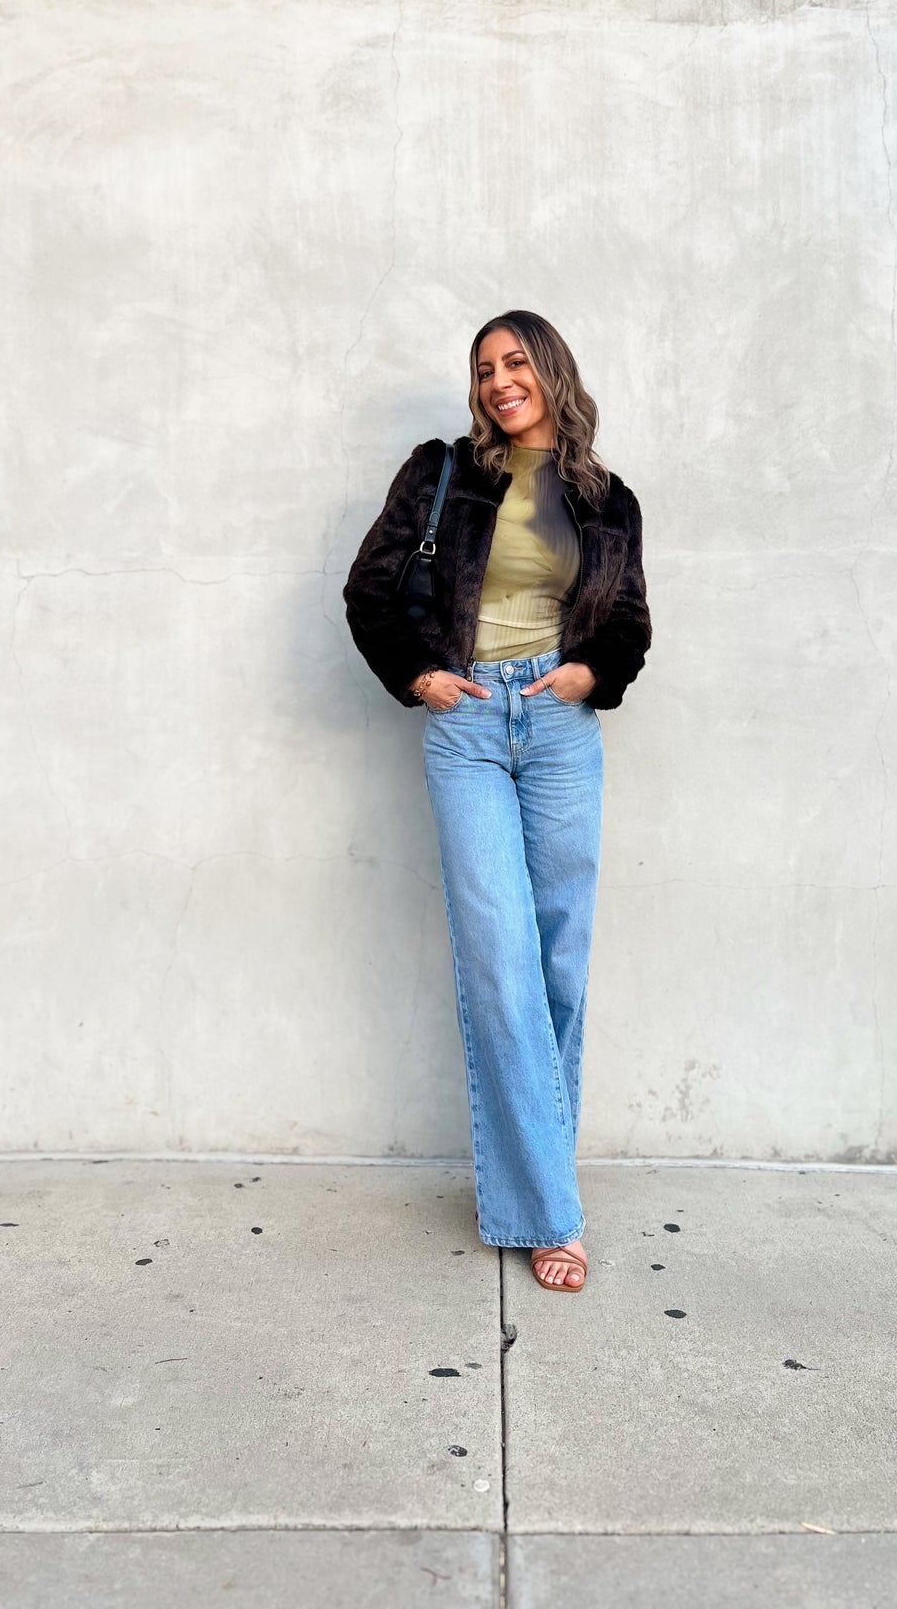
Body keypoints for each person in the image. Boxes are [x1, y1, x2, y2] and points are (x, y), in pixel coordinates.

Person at [342, 310, 652, 1292]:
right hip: (469, 727)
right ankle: (552, 1216)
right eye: (483, 369)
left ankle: (536, 1187)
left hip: (560, 727)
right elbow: (368, 590)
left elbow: (630, 618)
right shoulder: (441, 471)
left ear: (550, 371)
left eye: (515, 362)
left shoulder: (605, 497)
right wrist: (420, 676)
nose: (498, 381)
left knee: (558, 964)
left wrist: (592, 670)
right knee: (502, 966)